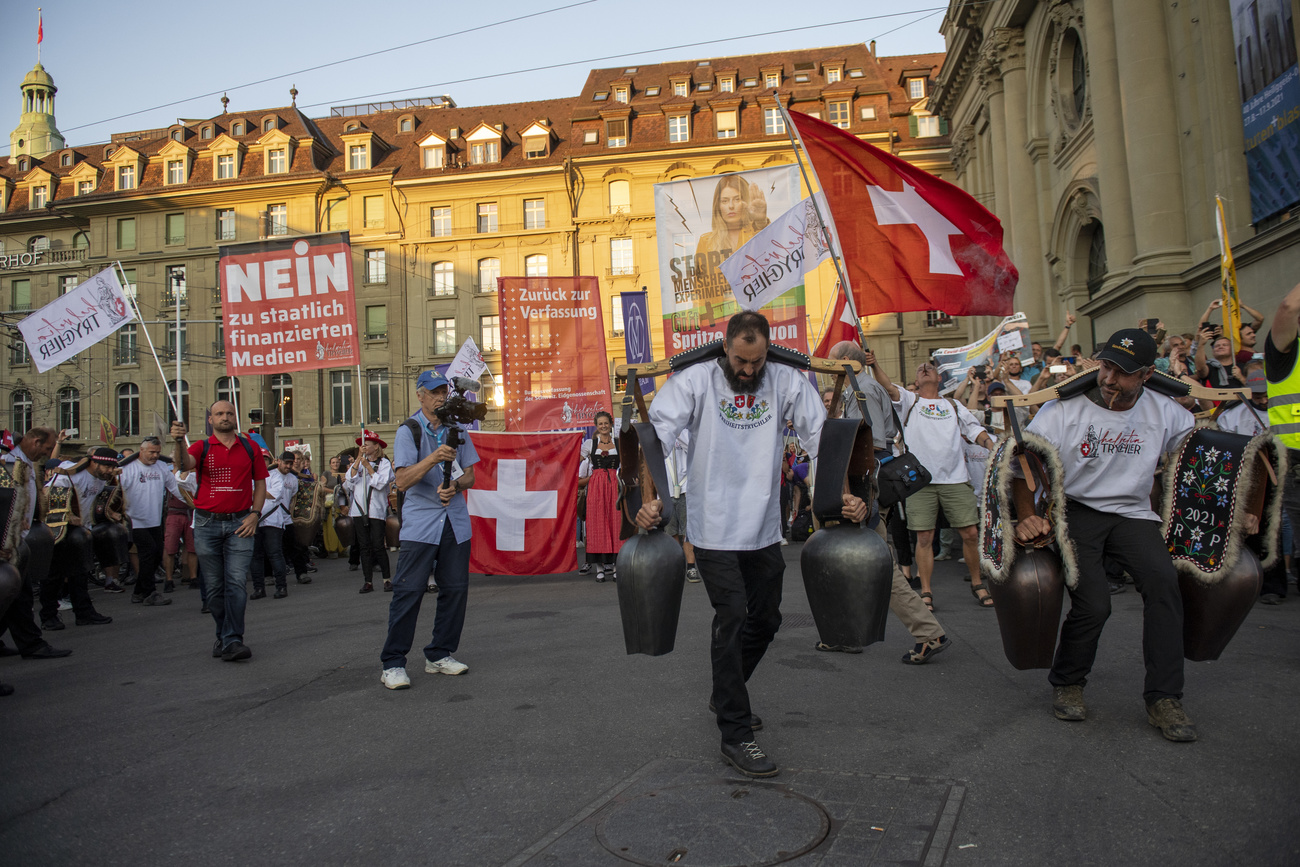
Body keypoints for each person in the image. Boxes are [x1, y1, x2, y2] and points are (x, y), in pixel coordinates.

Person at [635, 311, 868, 778]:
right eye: (741, 361)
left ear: (767, 352)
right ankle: (736, 734)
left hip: (763, 524)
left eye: (757, 360)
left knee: (767, 619)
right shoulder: (696, 380)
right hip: (713, 525)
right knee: (733, 616)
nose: (748, 370)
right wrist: (649, 500)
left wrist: (842, 492)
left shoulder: (783, 379)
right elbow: (653, 438)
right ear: (725, 348)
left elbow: (822, 438)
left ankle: (726, 691)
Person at [1013, 328, 1202, 742]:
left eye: (1123, 372)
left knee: (1164, 585)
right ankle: (1069, 681)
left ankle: (1164, 698)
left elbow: (1200, 451)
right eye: (1107, 366)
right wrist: (1027, 515)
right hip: (1077, 510)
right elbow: (1020, 465)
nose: (1110, 379)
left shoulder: (1165, 411)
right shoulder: (1063, 412)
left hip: (1133, 514)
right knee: (1094, 603)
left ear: (1148, 375)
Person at [827, 340, 952, 664]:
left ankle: (926, 631)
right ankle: (842, 632)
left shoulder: (858, 387)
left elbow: (858, 437)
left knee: (877, 561)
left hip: (865, 474)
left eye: (831, 361)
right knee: (856, 556)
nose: (828, 367)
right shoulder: (868, 387)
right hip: (876, 471)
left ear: (845, 361)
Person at [868, 358, 996, 612]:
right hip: (920, 482)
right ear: (917, 381)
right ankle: (926, 591)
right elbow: (888, 386)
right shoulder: (909, 401)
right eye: (919, 369)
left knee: (970, 533)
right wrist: (873, 365)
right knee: (924, 537)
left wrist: (995, 448)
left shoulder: (954, 405)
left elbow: (976, 432)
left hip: (956, 479)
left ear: (939, 378)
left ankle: (978, 583)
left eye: (930, 367)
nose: (924, 369)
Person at [379, 371, 478, 690]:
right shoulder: (409, 430)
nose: (440, 396)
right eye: (433, 392)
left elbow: (471, 477)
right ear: (420, 395)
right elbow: (403, 480)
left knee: (455, 591)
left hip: (455, 523)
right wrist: (434, 458)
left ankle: (439, 653)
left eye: (443, 391)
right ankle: (393, 663)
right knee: (408, 592)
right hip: (420, 526)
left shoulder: (457, 427)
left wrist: (454, 485)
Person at [171, 401, 267, 663]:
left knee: (236, 583)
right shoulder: (200, 447)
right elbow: (182, 465)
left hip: (240, 524)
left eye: (229, 413)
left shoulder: (250, 447)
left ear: (235, 416)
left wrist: (255, 515)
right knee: (213, 588)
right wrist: (179, 440)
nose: (225, 417)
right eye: (220, 414)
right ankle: (223, 636)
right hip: (206, 524)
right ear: (210, 420)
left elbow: (260, 483)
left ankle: (233, 639)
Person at [0, 428, 72, 660]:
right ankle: (32, 644)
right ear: (35, 441)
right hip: (8, 540)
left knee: (16, 595)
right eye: (47, 448)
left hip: (19, 538)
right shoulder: (10, 463)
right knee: (19, 595)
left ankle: (26, 643)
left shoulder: (25, 463)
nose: (47, 453)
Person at [45, 447, 119, 628]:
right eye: (107, 466)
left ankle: (83, 613)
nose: (110, 471)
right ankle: (48, 617)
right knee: (54, 576)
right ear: (95, 462)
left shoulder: (101, 479)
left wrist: (108, 512)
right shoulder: (70, 473)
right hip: (60, 530)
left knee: (80, 574)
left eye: (112, 467)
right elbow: (48, 494)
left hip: (81, 532)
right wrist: (68, 516)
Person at [118, 436, 184, 607]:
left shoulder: (162, 467)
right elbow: (117, 494)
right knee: (148, 554)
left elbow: (175, 489)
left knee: (155, 557)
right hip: (136, 520)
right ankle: (150, 592)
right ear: (141, 450)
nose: (155, 456)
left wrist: (194, 502)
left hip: (155, 520)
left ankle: (139, 591)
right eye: (151, 452)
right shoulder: (127, 469)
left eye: (157, 452)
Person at [691, 175, 770, 300]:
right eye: (725, 201)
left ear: (746, 202)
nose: (731, 206)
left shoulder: (758, 233)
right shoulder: (706, 243)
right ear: (718, 206)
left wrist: (760, 223)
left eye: (737, 199)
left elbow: (773, 263)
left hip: (757, 315)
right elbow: (699, 292)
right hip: (720, 317)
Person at [347, 430, 394, 593]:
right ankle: (368, 581)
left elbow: (381, 483)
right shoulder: (359, 462)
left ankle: (387, 579)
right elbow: (350, 479)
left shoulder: (384, 464)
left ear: (376, 446)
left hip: (375, 510)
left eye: (367, 443)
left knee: (378, 546)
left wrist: (369, 468)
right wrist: (360, 461)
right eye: (363, 444)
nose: (364, 446)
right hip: (359, 510)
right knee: (364, 547)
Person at [578, 411, 622, 582]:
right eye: (600, 424)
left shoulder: (618, 443)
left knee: (616, 522)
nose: (603, 426)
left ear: (611, 424)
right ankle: (600, 569)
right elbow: (574, 458)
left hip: (615, 486)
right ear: (596, 426)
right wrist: (574, 438)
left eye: (606, 423)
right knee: (598, 523)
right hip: (596, 487)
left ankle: (617, 567)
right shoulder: (590, 443)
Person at [251, 451, 298, 600]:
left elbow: (275, 494)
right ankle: (258, 588)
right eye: (260, 459)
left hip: (272, 520)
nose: (263, 463)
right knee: (256, 556)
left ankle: (281, 586)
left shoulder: (276, 476)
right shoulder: (249, 476)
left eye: (265, 460)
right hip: (253, 520)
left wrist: (253, 492)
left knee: (275, 554)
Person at [664, 430, 700, 583]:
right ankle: (676, 565)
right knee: (670, 532)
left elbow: (692, 448)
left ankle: (691, 567)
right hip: (667, 490)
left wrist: (676, 431)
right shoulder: (661, 434)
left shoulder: (685, 432)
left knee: (687, 531)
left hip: (685, 489)